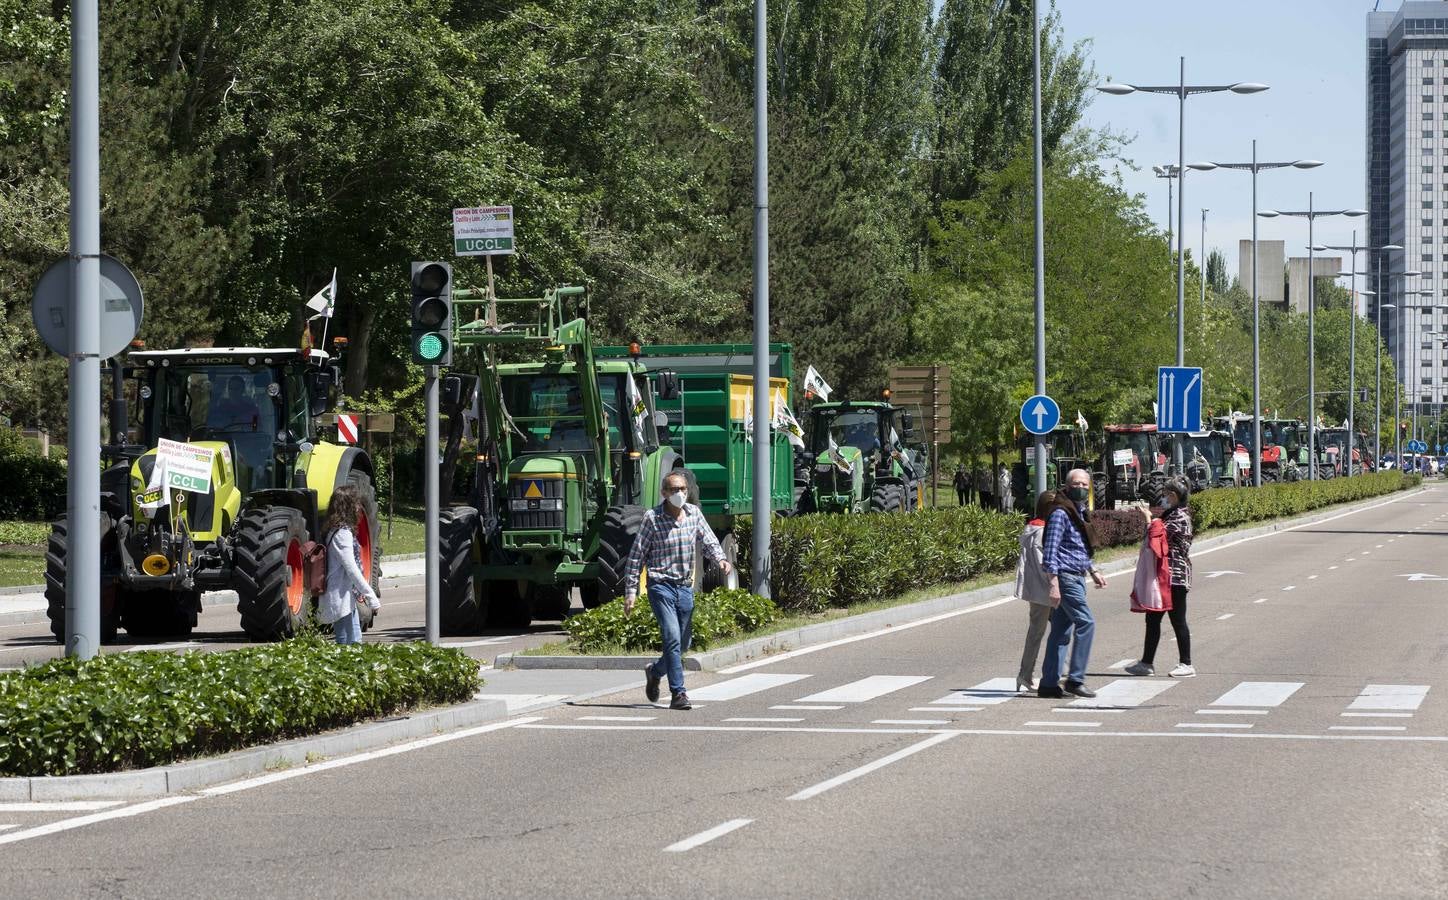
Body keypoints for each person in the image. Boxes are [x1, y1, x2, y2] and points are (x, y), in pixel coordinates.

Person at [624, 471, 731, 710]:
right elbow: (637, 555)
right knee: (671, 637)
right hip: (660, 586)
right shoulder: (653, 518)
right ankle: (679, 693)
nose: (679, 494)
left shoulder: (694, 514)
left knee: (683, 644)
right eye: (674, 490)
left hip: (684, 587)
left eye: (682, 489)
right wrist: (631, 592)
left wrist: (721, 559)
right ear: (664, 493)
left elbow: (709, 540)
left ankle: (655, 671)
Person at [1037, 468, 1107, 699]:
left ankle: (1049, 684)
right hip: (1066, 578)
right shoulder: (1060, 513)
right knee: (1086, 623)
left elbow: (1078, 548)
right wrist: (1053, 584)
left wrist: (1093, 571)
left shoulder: (1078, 511)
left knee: (1060, 631)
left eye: (1085, 485)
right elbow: (1050, 551)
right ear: (1067, 486)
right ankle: (1075, 679)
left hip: (1077, 576)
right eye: (1077, 484)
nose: (1081, 488)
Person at [1125, 477, 1195, 677]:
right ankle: (1147, 663)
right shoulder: (1171, 514)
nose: (1163, 498)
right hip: (1163, 576)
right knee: (1153, 618)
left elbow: (1157, 539)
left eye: (1166, 494)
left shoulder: (1180, 517)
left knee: (1178, 620)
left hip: (1175, 577)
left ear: (1174, 495)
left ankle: (1186, 664)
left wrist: (1149, 519)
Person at [317, 484, 380, 645]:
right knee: (348, 643)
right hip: (340, 596)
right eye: (356, 503)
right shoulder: (342, 534)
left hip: (345, 597)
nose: (358, 507)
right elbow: (352, 570)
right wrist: (371, 597)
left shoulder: (335, 530)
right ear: (348, 506)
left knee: (353, 642)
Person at [1013, 490, 1058, 692]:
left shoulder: (1032, 529)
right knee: (1044, 633)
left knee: (1050, 631)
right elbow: (1045, 564)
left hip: (1038, 590)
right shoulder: (1041, 532)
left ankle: (1034, 674)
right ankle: (1027, 675)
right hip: (1046, 591)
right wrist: (1055, 584)